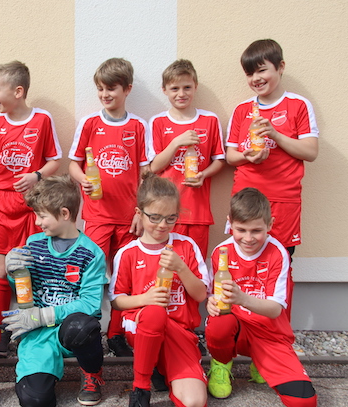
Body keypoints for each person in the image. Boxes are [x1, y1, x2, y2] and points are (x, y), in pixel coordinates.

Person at [0, 61, 62, 355]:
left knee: (33, 264)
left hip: (34, 204)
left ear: (18, 91)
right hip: (2, 202)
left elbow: (55, 160)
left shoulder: (42, 120)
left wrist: (36, 176)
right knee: (1, 266)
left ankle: (30, 324)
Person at [225, 39, 318, 317]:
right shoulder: (242, 110)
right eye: (250, 73)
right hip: (245, 199)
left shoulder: (298, 105)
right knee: (242, 262)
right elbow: (230, 156)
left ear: (280, 67)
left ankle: (278, 329)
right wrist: (247, 156)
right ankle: (239, 325)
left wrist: (276, 135)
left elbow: (311, 152)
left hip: (283, 200)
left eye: (262, 70)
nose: (256, 78)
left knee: (281, 264)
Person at [68, 57, 153, 357]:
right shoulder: (90, 123)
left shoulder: (138, 126)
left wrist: (141, 211)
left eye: (112, 89)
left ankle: (118, 333)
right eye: (101, 89)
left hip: (129, 218)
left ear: (127, 89)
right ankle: (89, 328)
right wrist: (82, 179)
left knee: (124, 278)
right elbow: (73, 164)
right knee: (91, 274)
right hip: (97, 217)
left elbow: (145, 173)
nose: (105, 94)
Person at [205, 188, 317, 406]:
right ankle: (221, 363)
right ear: (230, 223)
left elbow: (275, 310)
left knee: (304, 401)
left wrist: (243, 299)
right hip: (236, 327)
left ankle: (260, 361)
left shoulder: (278, 252)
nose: (248, 238)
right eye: (241, 230)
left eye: (256, 230)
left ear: (270, 224)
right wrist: (211, 303)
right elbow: (214, 296)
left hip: (268, 332)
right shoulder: (221, 252)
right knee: (219, 324)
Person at [2, 175, 107, 406]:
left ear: (64, 213)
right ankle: (41, 371)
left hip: (70, 331)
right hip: (38, 333)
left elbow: (90, 304)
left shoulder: (91, 253)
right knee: (35, 400)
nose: (37, 221)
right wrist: (12, 272)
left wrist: (45, 315)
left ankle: (91, 372)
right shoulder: (33, 244)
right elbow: (24, 292)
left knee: (81, 326)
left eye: (42, 215)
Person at [109, 173, 209, 407]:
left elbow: (201, 295)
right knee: (154, 313)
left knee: (194, 402)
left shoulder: (186, 246)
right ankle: (141, 387)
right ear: (139, 213)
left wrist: (181, 268)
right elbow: (116, 300)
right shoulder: (128, 253)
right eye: (154, 217)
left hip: (179, 332)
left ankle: (159, 367)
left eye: (171, 218)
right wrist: (145, 298)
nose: (163, 225)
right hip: (142, 328)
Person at [149, 59, 225, 260]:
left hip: (198, 213)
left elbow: (220, 160)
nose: (181, 94)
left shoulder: (210, 120)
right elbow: (154, 167)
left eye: (187, 87)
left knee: (194, 266)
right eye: (175, 88)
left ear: (195, 87)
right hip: (166, 213)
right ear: (164, 90)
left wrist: (204, 175)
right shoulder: (158, 122)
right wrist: (176, 143)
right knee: (164, 267)